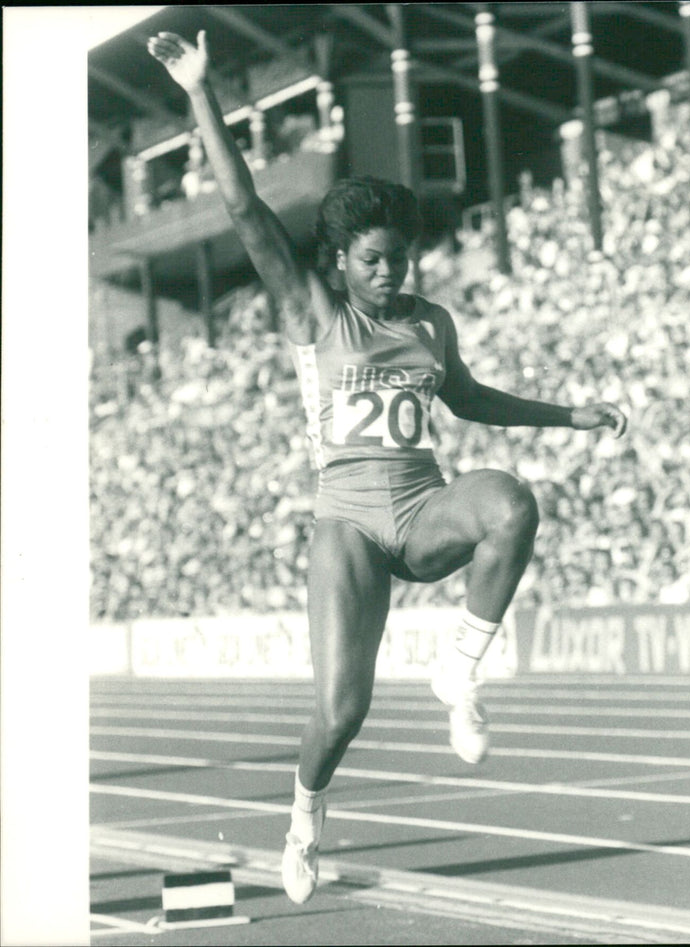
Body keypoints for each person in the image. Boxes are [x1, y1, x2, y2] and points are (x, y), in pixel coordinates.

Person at [148, 30, 628, 905]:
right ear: (338, 260)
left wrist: (571, 414)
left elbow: (471, 399)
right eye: (373, 260)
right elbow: (246, 209)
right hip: (351, 528)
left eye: (401, 257)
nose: (391, 271)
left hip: (422, 508)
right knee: (341, 710)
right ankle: (304, 817)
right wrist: (199, 90)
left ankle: (460, 669)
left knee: (513, 502)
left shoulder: (430, 321)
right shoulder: (315, 314)